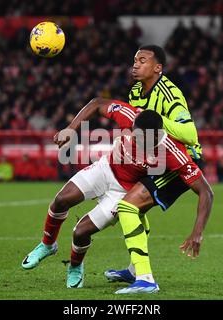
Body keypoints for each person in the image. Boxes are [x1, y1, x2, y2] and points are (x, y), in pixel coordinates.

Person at [21, 98, 213, 294]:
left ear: (156, 136)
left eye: (140, 139)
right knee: (61, 200)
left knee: (80, 232)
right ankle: (47, 245)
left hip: (123, 193)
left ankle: (76, 267)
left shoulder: (173, 152)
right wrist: (71, 128)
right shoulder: (131, 116)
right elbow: (97, 104)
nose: (135, 140)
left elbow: (206, 191)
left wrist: (197, 232)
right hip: (106, 169)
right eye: (133, 134)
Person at [103, 45, 208, 293]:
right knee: (134, 209)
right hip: (157, 158)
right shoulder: (137, 91)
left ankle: (146, 280)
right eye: (134, 60)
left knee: (127, 206)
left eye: (142, 60)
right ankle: (134, 270)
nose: (135, 65)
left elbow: (190, 134)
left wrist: (156, 120)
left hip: (181, 161)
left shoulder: (170, 95)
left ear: (157, 67)